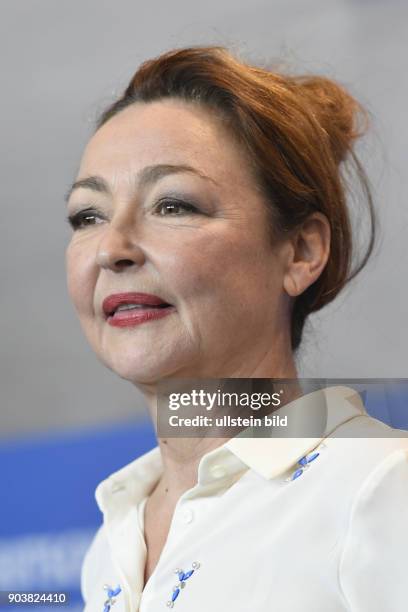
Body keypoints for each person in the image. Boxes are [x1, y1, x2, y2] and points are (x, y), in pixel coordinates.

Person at [64, 46, 408, 611]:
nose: (112, 249)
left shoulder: (380, 485)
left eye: (172, 205)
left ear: (300, 251)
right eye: (88, 215)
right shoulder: (113, 540)